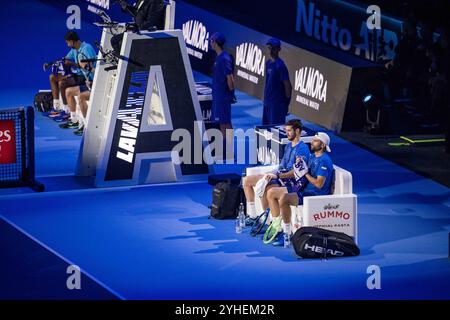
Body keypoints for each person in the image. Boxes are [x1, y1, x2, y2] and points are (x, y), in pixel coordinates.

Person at [266, 132, 334, 247]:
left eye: (315, 141)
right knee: (271, 193)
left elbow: (318, 184)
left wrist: (305, 173)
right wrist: (298, 164)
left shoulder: (324, 161)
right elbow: (300, 171)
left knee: (284, 199)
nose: (312, 142)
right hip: (304, 189)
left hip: (315, 194)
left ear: (322, 145)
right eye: (313, 140)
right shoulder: (312, 157)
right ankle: (277, 228)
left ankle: (287, 234)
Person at [242, 119, 310, 226]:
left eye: (289, 131)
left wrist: (277, 175)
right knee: (247, 180)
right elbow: (282, 165)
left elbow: (297, 173)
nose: (286, 133)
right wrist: (271, 173)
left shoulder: (302, 149)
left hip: (291, 182)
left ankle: (270, 223)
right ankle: (253, 217)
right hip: (280, 176)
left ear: (297, 131)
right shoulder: (288, 146)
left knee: (267, 186)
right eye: (286, 130)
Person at [48, 31, 96, 121]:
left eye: (68, 42)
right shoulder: (74, 49)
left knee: (62, 83)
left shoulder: (86, 48)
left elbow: (89, 67)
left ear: (73, 41)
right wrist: (51, 64)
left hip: (87, 78)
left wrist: (72, 64)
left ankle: (66, 111)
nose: (68, 45)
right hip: (79, 75)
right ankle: (57, 107)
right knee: (52, 77)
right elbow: (65, 59)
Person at [210, 32, 235, 158]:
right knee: (222, 123)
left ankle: (229, 151)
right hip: (218, 95)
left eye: (211, 41)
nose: (210, 43)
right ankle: (225, 150)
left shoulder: (224, 58)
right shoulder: (219, 57)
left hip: (223, 97)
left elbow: (230, 78)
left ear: (215, 42)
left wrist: (230, 92)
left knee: (226, 123)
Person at [262, 38, 292, 125]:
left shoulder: (280, 66)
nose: (271, 51)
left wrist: (286, 103)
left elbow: (288, 86)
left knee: (276, 132)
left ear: (278, 49)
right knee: (265, 132)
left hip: (277, 105)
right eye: (269, 48)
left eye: (273, 48)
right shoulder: (268, 63)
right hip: (267, 102)